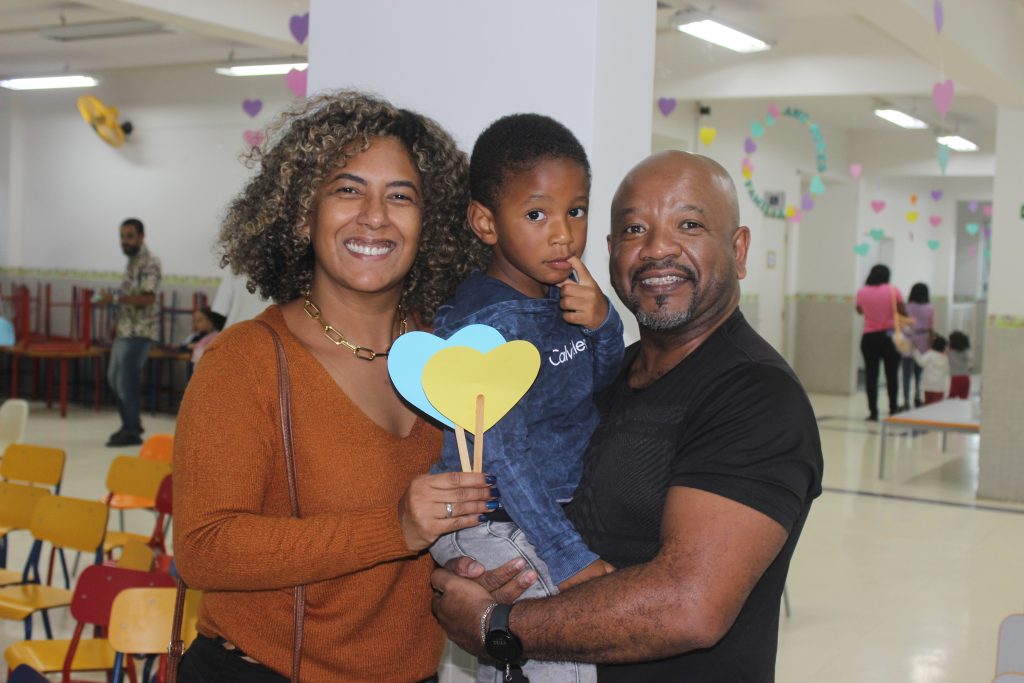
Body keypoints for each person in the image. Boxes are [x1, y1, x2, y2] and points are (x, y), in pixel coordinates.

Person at [431, 151, 824, 682]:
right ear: (612, 251)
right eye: (635, 229)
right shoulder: (606, 373)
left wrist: (497, 624)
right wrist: (485, 569)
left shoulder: (756, 396)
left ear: (738, 250)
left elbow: (689, 606)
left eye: (689, 225)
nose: (658, 248)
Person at [173, 91, 497, 683]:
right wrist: (394, 528)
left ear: (428, 224)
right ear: (303, 214)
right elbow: (203, 548)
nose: (375, 215)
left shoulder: (450, 359)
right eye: (348, 190)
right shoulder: (245, 362)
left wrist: (473, 567)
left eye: (401, 196)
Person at [428, 114, 623, 683]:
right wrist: (569, 558)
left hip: (535, 512)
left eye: (576, 211)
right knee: (568, 654)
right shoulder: (486, 325)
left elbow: (604, 385)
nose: (563, 234)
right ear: (486, 222)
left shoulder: (563, 297)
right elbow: (503, 456)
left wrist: (604, 323)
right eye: (537, 214)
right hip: (496, 515)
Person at [95, 218, 162, 447]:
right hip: (125, 330)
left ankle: (131, 430)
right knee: (114, 379)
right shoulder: (132, 262)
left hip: (140, 331)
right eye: (122, 236)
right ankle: (130, 424)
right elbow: (129, 296)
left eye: (130, 236)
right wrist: (116, 323)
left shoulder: (150, 262)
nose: (125, 241)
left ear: (142, 236)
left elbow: (148, 298)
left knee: (126, 381)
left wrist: (113, 298)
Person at [856, 264, 906, 421]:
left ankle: (873, 412)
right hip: (889, 337)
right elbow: (902, 311)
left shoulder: (862, 292)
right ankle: (893, 409)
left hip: (869, 337)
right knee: (891, 375)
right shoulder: (893, 291)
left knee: (871, 375)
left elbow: (859, 310)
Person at [902, 282, 934, 409]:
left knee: (906, 373)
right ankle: (917, 397)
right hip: (923, 340)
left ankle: (906, 400)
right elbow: (931, 327)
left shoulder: (907, 307)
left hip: (909, 340)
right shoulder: (930, 308)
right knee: (919, 373)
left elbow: (903, 326)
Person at [180, 306, 226, 377]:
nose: (196, 323)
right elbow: (183, 347)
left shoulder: (218, 336)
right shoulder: (196, 336)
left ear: (210, 321)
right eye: (195, 321)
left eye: (200, 320)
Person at [913, 334, 949, 405]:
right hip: (940, 387)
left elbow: (921, 362)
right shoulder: (945, 358)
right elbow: (946, 371)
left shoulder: (930, 354)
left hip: (929, 386)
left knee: (928, 406)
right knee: (937, 407)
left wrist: (915, 351)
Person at [947, 330, 972, 399]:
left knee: (951, 400)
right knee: (964, 399)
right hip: (965, 377)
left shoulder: (950, 351)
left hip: (955, 378)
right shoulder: (966, 351)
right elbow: (970, 360)